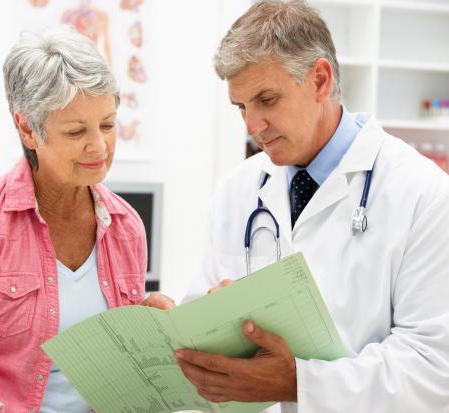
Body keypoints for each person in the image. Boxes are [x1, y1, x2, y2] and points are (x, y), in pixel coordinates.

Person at [176, 1, 449, 412]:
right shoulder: (238, 190)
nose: (252, 127)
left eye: (266, 99)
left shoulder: (423, 194)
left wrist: (301, 384)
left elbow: (434, 368)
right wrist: (183, 329)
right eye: (241, 107)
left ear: (320, 80)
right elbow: (206, 319)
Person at [0, 27, 173, 413]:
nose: (99, 146)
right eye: (77, 131)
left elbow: (113, 365)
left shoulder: (126, 226)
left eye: (107, 125)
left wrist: (152, 333)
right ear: (28, 129)